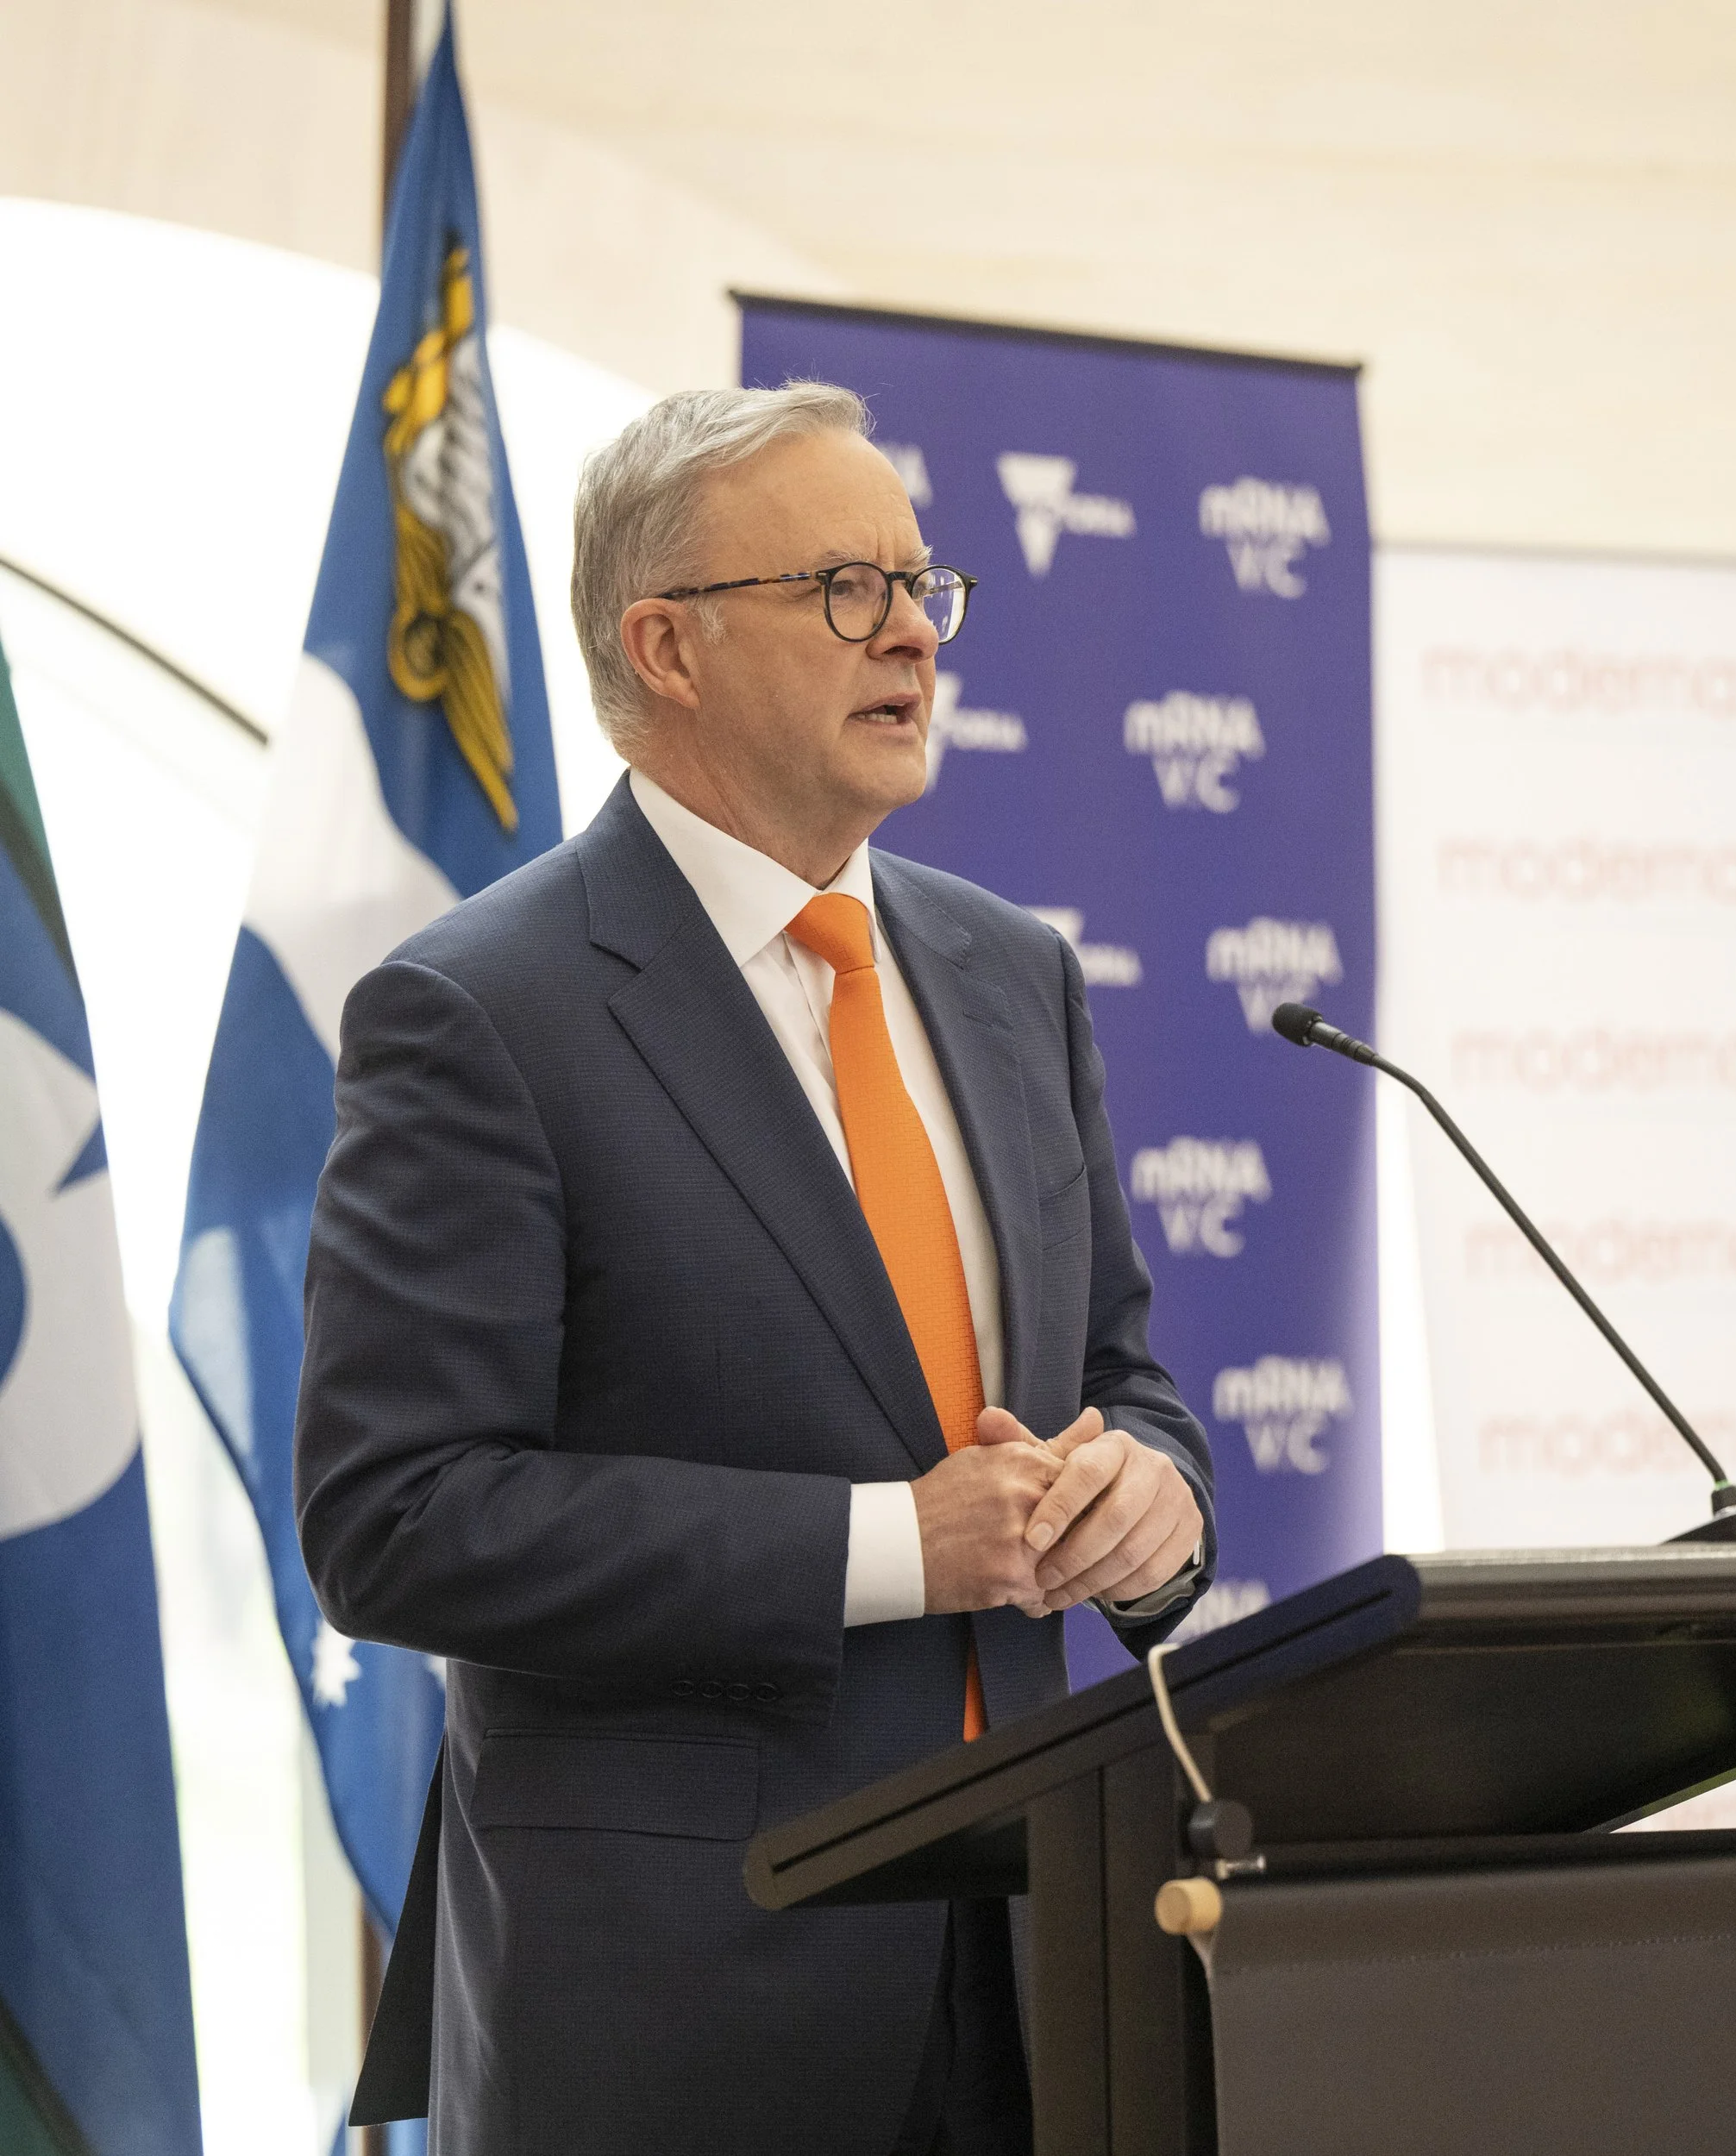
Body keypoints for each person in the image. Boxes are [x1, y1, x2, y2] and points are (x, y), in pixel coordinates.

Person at [294, 381, 1216, 2156]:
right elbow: (395, 1513)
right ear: (669, 646)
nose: (910, 636)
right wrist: (897, 1541)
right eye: (843, 588)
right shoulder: (482, 1011)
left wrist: (1151, 1505)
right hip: (682, 2000)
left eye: (920, 585)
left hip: (1045, 1966)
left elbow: (1126, 1371)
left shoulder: (1010, 971)